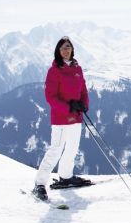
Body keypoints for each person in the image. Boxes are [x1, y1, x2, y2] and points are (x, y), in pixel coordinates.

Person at [31, 36, 92, 201]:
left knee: (72, 149)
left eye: (69, 47)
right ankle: (39, 184)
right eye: (63, 48)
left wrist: (84, 105)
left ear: (72, 49)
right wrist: (69, 108)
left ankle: (66, 176)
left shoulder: (78, 69)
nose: (66, 50)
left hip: (76, 117)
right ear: (58, 51)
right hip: (60, 119)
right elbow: (50, 97)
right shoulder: (54, 71)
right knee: (55, 150)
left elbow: (83, 91)